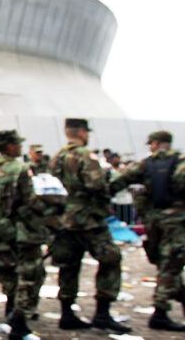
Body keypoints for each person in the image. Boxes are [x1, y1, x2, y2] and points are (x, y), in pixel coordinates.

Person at [49, 118, 131, 333]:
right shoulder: (86, 156)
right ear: (82, 133)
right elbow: (97, 185)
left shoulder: (57, 157)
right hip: (89, 219)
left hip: (65, 219)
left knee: (69, 265)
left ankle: (67, 313)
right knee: (111, 258)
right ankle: (102, 313)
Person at [109, 130, 185, 331]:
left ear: (157, 143)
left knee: (166, 263)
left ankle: (170, 304)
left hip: (154, 223)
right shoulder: (180, 162)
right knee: (171, 264)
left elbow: (117, 181)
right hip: (177, 221)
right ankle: (160, 312)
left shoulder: (145, 164)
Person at [0, 130, 46, 339]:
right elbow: (30, 202)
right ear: (10, 146)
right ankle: (19, 320)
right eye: (17, 144)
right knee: (31, 276)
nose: (20, 147)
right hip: (23, 231)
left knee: (9, 275)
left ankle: (13, 316)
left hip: (0, 230)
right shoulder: (21, 169)